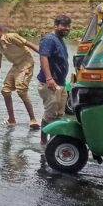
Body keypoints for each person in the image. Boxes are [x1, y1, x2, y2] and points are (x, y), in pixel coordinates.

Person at [0, 24, 41, 129]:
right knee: (5, 91)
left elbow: (28, 44)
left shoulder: (11, 37)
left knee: (21, 90)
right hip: (16, 66)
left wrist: (44, 54)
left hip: (26, 64)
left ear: (1, 32)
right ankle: (12, 119)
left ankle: (33, 120)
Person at [37, 15, 72, 146]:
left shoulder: (59, 40)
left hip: (61, 83)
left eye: (68, 26)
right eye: (63, 25)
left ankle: (53, 142)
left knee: (59, 115)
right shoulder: (49, 39)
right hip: (50, 83)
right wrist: (49, 78)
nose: (66, 28)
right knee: (50, 114)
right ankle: (43, 142)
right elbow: (44, 57)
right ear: (56, 26)